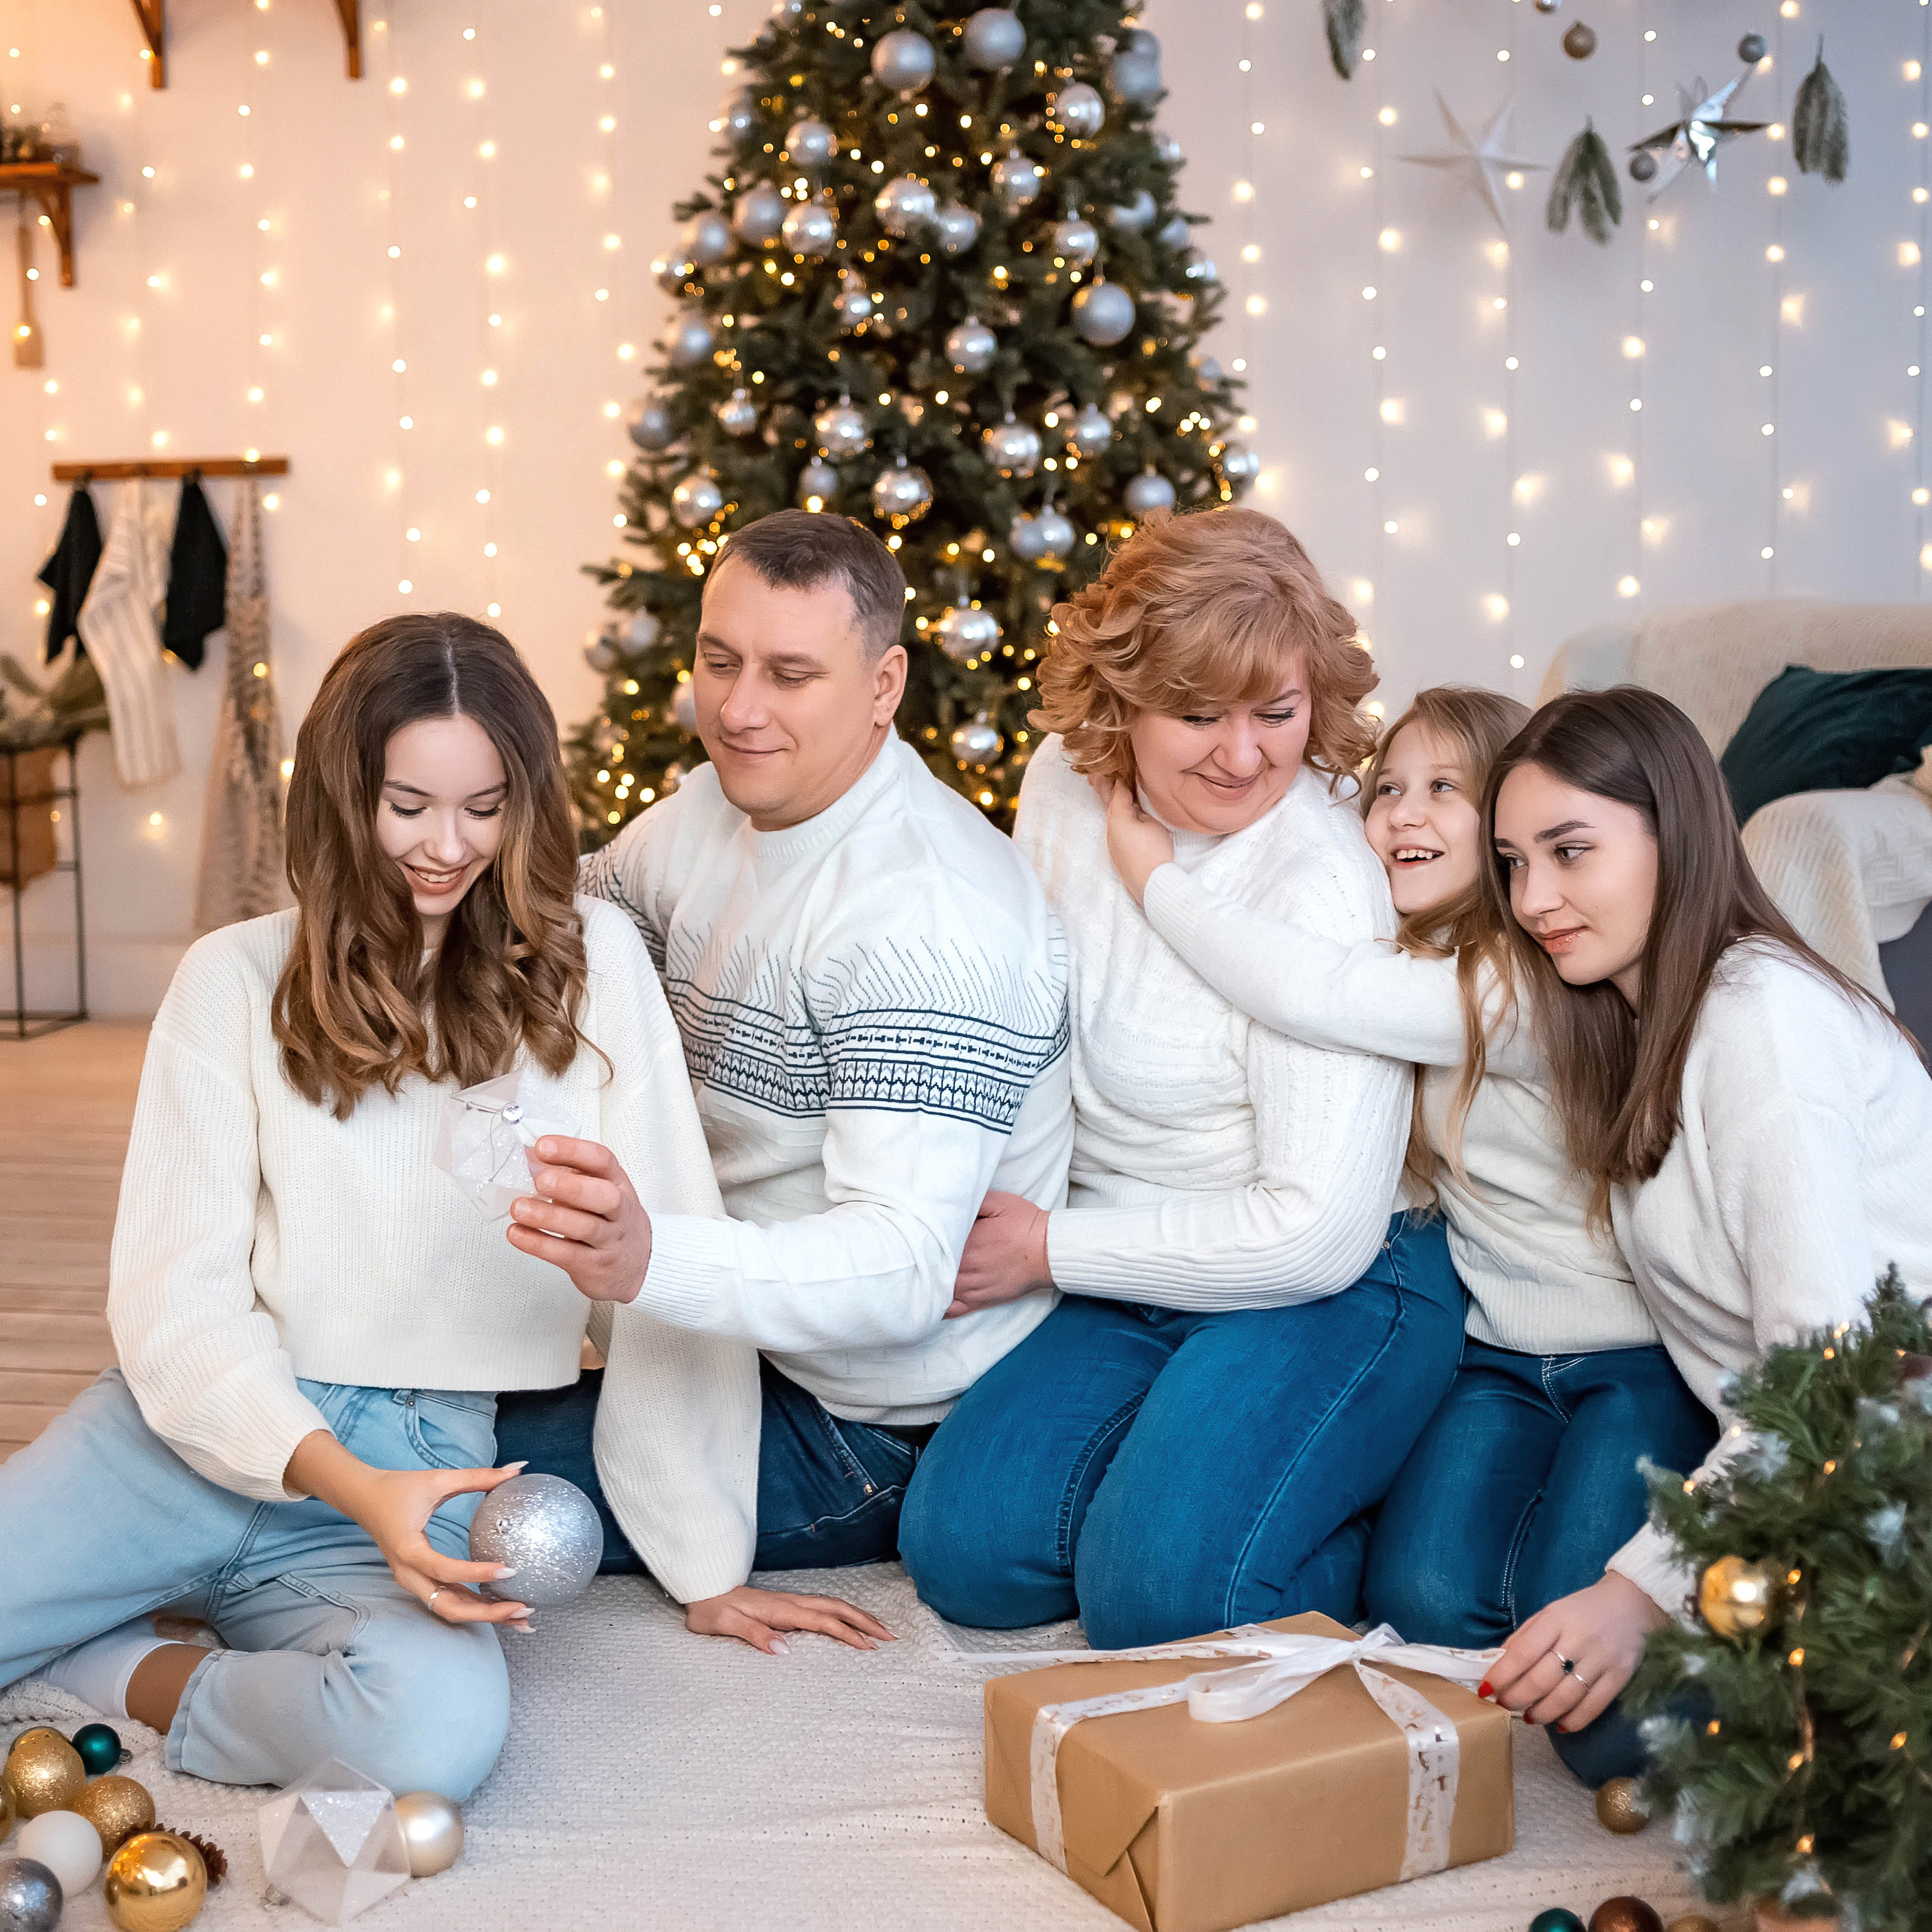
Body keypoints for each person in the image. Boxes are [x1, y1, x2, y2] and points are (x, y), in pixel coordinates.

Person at [0, 614, 829, 1798]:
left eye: (485, 808)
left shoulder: (595, 964)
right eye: (409, 806)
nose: (449, 846)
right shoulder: (231, 978)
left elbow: (666, 1270)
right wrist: (348, 1481)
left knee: (431, 1739)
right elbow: (173, 1305)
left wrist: (705, 1562)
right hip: (178, 1442)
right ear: (345, 799)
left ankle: (118, 1672)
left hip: (429, 1460)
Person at [1098, 685, 1717, 1783]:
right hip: (1498, 1352)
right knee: (1425, 1597)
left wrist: (1156, 874)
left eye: (1445, 791)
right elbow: (1310, 787)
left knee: (1609, 1729)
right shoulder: (1416, 954)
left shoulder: (1522, 985)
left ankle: (1721, 1584)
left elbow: (1308, 989)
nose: (1400, 816)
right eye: (1386, 792)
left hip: (1635, 1355)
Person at [493, 510, 1071, 1646]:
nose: (739, 709)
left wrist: (650, 1257)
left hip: (864, 1417)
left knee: (428, 1469)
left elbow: (902, 1273)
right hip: (718, 1337)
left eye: (791, 674)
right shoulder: (715, 808)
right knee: (384, 1385)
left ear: (883, 683)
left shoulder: (927, 922)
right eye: (721, 661)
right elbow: (568, 934)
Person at [895, 506, 1466, 1651]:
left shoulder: (1317, 878)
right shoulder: (1061, 779)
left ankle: (1361, 1489)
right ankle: (1213, 1470)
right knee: (966, 1554)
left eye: (1280, 713)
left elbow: (1313, 1237)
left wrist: (1047, 1248)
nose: (1244, 755)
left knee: (1161, 1602)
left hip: (1334, 1278)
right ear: (1119, 702)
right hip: (1136, 1264)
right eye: (1198, 714)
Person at [1473, 688, 1932, 1773]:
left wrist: (1638, 1593)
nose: (1535, 897)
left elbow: (1832, 1381)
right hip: (1786, 1461)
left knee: (1622, 1724)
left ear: (1674, 837)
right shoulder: (1636, 1024)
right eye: (1512, 862)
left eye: (1570, 851)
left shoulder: (1762, 1020)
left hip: (1878, 1457)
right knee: (1556, 1678)